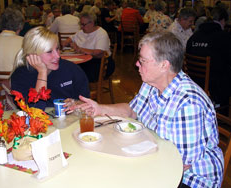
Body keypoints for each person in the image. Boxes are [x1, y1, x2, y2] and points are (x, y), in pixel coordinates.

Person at [72, 32, 224, 188]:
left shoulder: (188, 105)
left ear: (164, 65)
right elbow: (132, 110)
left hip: (189, 179)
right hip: (159, 161)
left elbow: (179, 163)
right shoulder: (151, 83)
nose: (137, 64)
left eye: (143, 60)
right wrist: (99, 108)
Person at [10, 26, 90, 110]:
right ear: (33, 55)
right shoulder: (21, 76)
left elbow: (86, 101)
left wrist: (74, 103)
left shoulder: (72, 69)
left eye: (57, 49)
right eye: (49, 52)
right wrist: (42, 73)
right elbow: (36, 111)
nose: (57, 56)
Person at [186, 6, 231, 107]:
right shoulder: (224, 37)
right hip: (214, 85)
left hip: (193, 80)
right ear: (223, 20)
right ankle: (220, 107)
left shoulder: (195, 36)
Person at [62, 12, 114, 82]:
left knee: (71, 73)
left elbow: (98, 53)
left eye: (83, 24)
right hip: (86, 62)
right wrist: (67, 43)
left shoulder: (101, 33)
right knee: (66, 69)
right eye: (81, 24)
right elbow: (69, 40)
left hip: (99, 65)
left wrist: (79, 49)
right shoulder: (81, 32)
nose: (81, 27)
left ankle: (78, 91)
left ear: (92, 23)